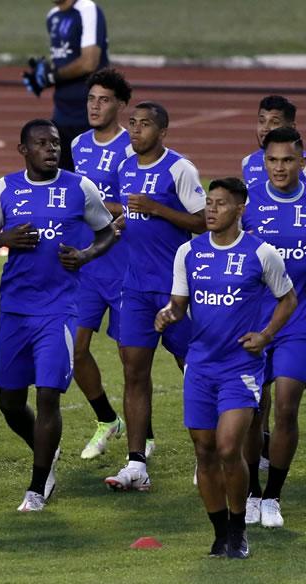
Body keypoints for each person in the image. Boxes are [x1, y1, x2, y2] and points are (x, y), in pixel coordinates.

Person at [0, 119, 116, 512]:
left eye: (55, 143)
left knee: (49, 394)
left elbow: (107, 231)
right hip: (15, 310)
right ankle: (44, 449)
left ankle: (37, 488)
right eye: (41, 143)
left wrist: (86, 255)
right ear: (24, 150)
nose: (51, 149)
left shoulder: (79, 187)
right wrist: (3, 239)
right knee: (9, 403)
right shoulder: (5, 188)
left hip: (60, 309)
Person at [155, 177, 296, 559]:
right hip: (199, 367)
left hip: (240, 368)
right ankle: (220, 534)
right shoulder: (188, 252)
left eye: (219, 203)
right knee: (204, 452)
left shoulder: (261, 253)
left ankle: (238, 529)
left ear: (239, 209)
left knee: (228, 447)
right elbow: (179, 303)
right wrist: (168, 314)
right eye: (209, 203)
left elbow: (288, 299)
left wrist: (265, 335)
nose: (211, 210)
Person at [105, 101, 206, 492]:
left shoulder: (180, 168)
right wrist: (122, 221)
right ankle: (136, 464)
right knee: (133, 373)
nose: (135, 131)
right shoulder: (126, 166)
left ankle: (207, 454)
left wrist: (157, 209)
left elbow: (202, 221)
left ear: (163, 131)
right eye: (132, 123)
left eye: (145, 125)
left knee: (193, 370)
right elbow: (132, 214)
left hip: (173, 288)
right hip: (134, 289)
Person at [241, 126, 306, 528]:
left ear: (302, 160)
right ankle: (250, 491)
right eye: (272, 160)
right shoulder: (247, 201)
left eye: (287, 160)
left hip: (298, 320)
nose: (279, 168)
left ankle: (272, 498)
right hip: (252, 322)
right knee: (251, 412)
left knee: (285, 405)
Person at [68, 68, 133, 459]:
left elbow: (136, 202)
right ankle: (107, 419)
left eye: (104, 99)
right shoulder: (77, 144)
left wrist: (100, 206)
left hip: (124, 264)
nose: (95, 105)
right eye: (91, 98)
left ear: (120, 104)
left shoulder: (132, 146)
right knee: (74, 350)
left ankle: (144, 436)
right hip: (87, 264)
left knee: (132, 359)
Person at [22, 0, 109, 171]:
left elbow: (89, 62)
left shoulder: (87, 9)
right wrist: (43, 77)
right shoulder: (52, 16)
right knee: (56, 176)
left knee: (92, 178)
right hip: (62, 113)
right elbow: (63, 61)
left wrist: (52, 76)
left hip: (89, 112)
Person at [242, 96, 297, 187]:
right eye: (262, 121)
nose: (265, 128)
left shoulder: (303, 164)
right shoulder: (248, 162)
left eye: (275, 122)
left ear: (292, 128)